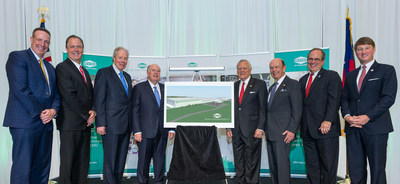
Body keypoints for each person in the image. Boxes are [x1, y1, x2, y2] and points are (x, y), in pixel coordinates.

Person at [3, 27, 60, 184]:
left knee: (42, 168)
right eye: (39, 39)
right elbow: (20, 89)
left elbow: (56, 93)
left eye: (46, 41)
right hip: (25, 122)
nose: (42, 44)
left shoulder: (50, 67)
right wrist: (42, 112)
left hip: (46, 124)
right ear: (31, 39)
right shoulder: (18, 57)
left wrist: (53, 110)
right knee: (23, 168)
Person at [341, 37, 397, 184]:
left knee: (377, 170)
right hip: (353, 129)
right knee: (355, 170)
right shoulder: (351, 75)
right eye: (359, 49)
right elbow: (344, 98)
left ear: (373, 49)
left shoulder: (386, 70)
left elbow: (388, 98)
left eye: (366, 48)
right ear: (356, 53)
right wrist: (347, 116)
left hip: (376, 128)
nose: (363, 52)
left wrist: (368, 116)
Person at [56, 35, 95, 184]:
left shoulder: (84, 70)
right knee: (68, 166)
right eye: (72, 46)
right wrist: (87, 115)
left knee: (82, 165)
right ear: (66, 49)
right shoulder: (62, 68)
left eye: (78, 46)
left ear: (83, 49)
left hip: (85, 125)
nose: (76, 49)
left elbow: (91, 95)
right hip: (70, 125)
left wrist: (93, 111)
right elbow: (69, 96)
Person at [299, 48, 341, 184]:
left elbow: (334, 101)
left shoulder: (332, 76)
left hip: (326, 130)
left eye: (316, 59)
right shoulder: (303, 80)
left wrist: (328, 120)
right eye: (310, 59)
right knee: (312, 168)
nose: (312, 62)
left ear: (323, 61)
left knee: (328, 167)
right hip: (307, 131)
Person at [94, 47, 133, 184]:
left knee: (120, 161)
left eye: (125, 58)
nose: (123, 61)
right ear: (114, 58)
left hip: (126, 126)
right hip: (110, 126)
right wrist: (100, 123)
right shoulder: (104, 73)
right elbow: (99, 100)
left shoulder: (127, 77)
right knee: (110, 161)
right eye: (120, 57)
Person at [226, 59, 267, 184]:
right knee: (238, 159)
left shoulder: (259, 84)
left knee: (252, 159)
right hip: (236, 130)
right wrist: (228, 127)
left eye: (244, 68)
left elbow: (263, 108)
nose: (241, 71)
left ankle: (252, 182)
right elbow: (230, 108)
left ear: (250, 70)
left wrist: (260, 128)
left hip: (252, 130)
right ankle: (241, 181)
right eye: (239, 68)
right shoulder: (234, 86)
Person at [133, 64, 175, 184]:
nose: (156, 73)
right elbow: (134, 110)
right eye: (153, 70)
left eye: (158, 71)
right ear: (147, 73)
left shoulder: (165, 88)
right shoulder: (139, 88)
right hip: (145, 133)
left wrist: (171, 128)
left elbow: (170, 109)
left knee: (160, 161)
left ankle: (159, 182)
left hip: (162, 132)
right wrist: (137, 131)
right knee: (143, 163)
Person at [266, 58, 302, 184]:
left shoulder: (293, 84)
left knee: (282, 167)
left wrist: (292, 130)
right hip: (270, 133)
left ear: (284, 68)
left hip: (284, 133)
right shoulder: (271, 88)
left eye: (276, 67)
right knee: (274, 166)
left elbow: (297, 110)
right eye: (271, 68)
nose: (274, 70)